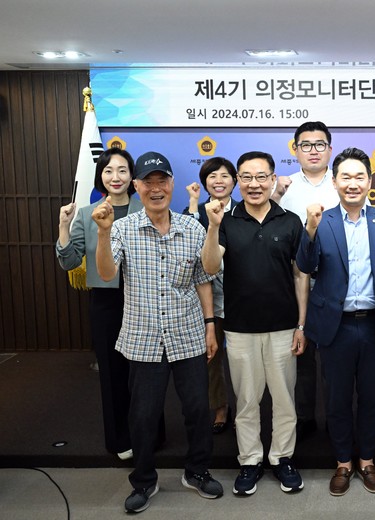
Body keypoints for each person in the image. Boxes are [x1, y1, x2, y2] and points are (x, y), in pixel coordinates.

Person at [93, 151, 223, 513]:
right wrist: (103, 233)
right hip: (143, 337)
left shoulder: (192, 227)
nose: (155, 188)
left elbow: (208, 273)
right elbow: (106, 273)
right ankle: (144, 480)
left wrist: (210, 326)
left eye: (161, 181)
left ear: (171, 184)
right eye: (147, 182)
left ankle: (197, 472)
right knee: (143, 415)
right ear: (136, 187)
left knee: (197, 410)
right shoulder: (122, 228)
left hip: (188, 334)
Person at [296, 147, 375, 496]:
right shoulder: (321, 219)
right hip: (336, 327)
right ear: (335, 181)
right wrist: (310, 229)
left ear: (370, 182)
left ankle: (367, 460)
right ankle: (343, 462)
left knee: (373, 397)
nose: (353, 183)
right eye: (346, 176)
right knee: (337, 398)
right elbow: (306, 266)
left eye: (360, 176)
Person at [201, 151, 309, 495]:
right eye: (246, 177)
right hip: (240, 328)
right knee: (246, 400)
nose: (254, 184)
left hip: (283, 327)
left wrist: (301, 325)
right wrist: (213, 226)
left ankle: (282, 458)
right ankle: (249, 460)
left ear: (273, 179)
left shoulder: (290, 221)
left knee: (284, 399)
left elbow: (300, 275)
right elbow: (210, 266)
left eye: (262, 177)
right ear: (238, 181)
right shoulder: (225, 220)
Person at [56, 148, 145, 460]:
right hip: (106, 302)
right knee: (112, 372)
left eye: (122, 170)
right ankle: (120, 439)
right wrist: (64, 226)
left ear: (132, 177)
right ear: (100, 176)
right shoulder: (86, 214)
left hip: (144, 299)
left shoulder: (146, 207)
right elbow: (69, 262)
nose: (115, 177)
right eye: (109, 170)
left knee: (145, 372)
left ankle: (149, 434)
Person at [274, 121, 340, 439]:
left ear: (330, 149)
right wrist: (276, 194)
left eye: (319, 144)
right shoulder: (283, 188)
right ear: (295, 149)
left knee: (333, 357)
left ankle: (336, 419)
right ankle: (303, 418)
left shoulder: (342, 183)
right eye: (306, 145)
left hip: (333, 282)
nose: (313, 151)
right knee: (299, 354)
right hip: (293, 282)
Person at [183, 157, 240, 434]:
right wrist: (194, 204)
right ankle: (220, 406)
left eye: (225, 175)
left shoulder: (245, 210)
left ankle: (247, 408)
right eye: (212, 176)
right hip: (208, 298)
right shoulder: (193, 212)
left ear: (235, 181)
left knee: (243, 359)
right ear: (204, 182)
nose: (219, 181)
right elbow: (188, 246)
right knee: (212, 357)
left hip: (240, 297)